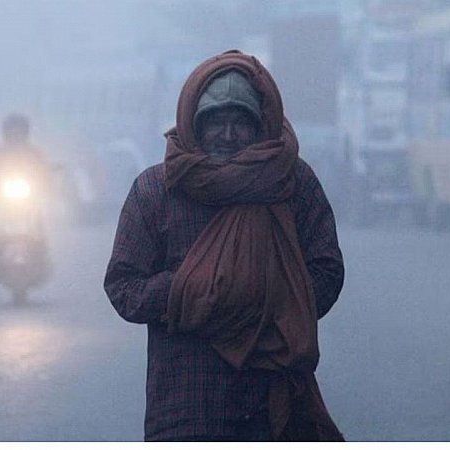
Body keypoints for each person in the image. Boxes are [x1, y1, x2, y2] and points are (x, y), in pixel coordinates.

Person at [104, 50, 345, 441]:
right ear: (194, 124)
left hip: (271, 397)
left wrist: (268, 304)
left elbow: (327, 270)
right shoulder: (155, 191)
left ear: (261, 125)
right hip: (186, 405)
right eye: (216, 121)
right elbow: (122, 288)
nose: (228, 135)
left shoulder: (292, 184)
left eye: (240, 122)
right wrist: (190, 291)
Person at [0, 113, 51, 197]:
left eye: (19, 131)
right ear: (6, 133)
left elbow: (44, 172)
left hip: (32, 196)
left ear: (25, 133)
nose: (16, 135)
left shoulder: (35, 154)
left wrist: (46, 177)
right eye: (12, 131)